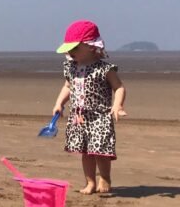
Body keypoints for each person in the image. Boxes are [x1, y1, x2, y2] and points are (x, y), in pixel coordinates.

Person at [52, 20, 127, 194]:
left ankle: (105, 178)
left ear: (91, 46)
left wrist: (117, 105)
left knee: (101, 150)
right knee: (85, 151)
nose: (71, 52)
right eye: (69, 49)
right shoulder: (71, 67)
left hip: (99, 116)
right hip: (79, 117)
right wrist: (59, 104)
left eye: (75, 48)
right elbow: (67, 87)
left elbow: (119, 87)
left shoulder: (104, 68)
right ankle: (90, 182)